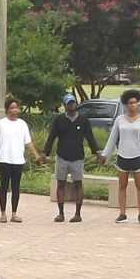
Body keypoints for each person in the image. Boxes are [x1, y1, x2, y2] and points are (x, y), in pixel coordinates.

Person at [104, 91, 140, 224]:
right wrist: (105, 155)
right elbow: (112, 138)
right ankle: (122, 213)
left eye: (135, 102)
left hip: (138, 156)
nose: (133, 105)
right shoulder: (120, 119)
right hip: (123, 156)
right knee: (122, 185)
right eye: (130, 103)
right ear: (126, 105)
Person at [45, 93, 98, 223]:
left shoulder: (83, 120)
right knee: (61, 184)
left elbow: (90, 137)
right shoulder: (59, 120)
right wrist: (44, 153)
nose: (71, 105)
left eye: (73, 103)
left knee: (78, 184)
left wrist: (96, 152)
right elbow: (52, 137)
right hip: (62, 156)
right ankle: (61, 213)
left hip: (77, 157)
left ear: (76, 104)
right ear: (65, 105)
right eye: (69, 103)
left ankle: (78, 214)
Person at [0, 97, 33, 223]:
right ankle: (3, 213)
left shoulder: (22, 124)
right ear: (7, 110)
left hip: (18, 160)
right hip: (4, 160)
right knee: (4, 186)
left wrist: (36, 155)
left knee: (16, 188)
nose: (15, 110)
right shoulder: (1, 123)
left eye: (16, 108)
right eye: (12, 108)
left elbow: (28, 142)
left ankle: (14, 214)